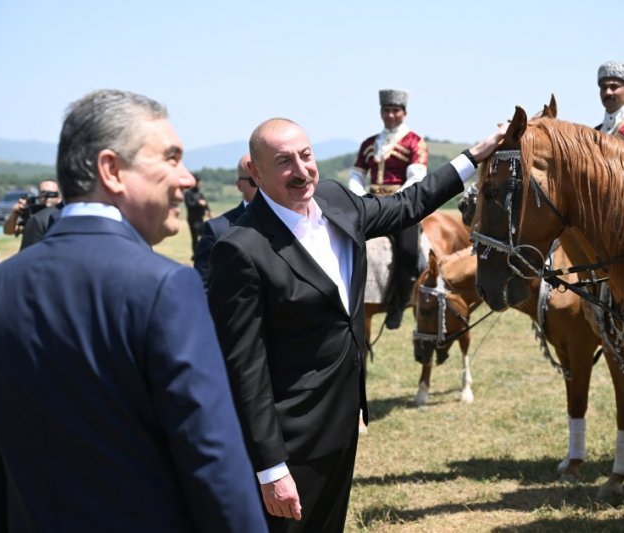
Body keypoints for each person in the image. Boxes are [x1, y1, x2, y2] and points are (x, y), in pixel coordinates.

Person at [0, 89, 267, 533]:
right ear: (111, 170)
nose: (188, 178)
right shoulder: (166, 287)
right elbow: (213, 462)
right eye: (171, 158)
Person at [208, 117, 506, 532]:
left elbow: (409, 203)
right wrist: (270, 469)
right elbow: (244, 367)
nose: (301, 170)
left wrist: (474, 156)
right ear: (255, 173)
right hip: (291, 438)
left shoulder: (335, 200)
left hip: (344, 421)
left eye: (306, 155)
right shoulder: (241, 249)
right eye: (283, 161)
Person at [348, 89, 428, 329]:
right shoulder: (369, 143)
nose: (390, 115)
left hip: (401, 206)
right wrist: (361, 196)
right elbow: (356, 174)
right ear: (381, 112)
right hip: (372, 204)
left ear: (404, 113)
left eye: (395, 110)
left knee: (408, 253)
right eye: (386, 110)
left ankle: (399, 304)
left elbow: (417, 176)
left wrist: (399, 201)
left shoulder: (415, 141)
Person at [194, 153, 257, 286]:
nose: (262, 185)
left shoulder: (290, 222)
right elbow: (202, 285)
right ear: (239, 185)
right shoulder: (216, 230)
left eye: (267, 178)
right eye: (254, 181)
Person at [184, 173, 211, 257]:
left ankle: (202, 252)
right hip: (193, 219)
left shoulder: (199, 193)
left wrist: (208, 211)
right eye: (197, 182)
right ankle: (195, 255)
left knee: (204, 236)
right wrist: (198, 203)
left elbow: (205, 203)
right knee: (195, 238)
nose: (199, 183)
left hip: (200, 219)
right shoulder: (188, 193)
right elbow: (189, 204)